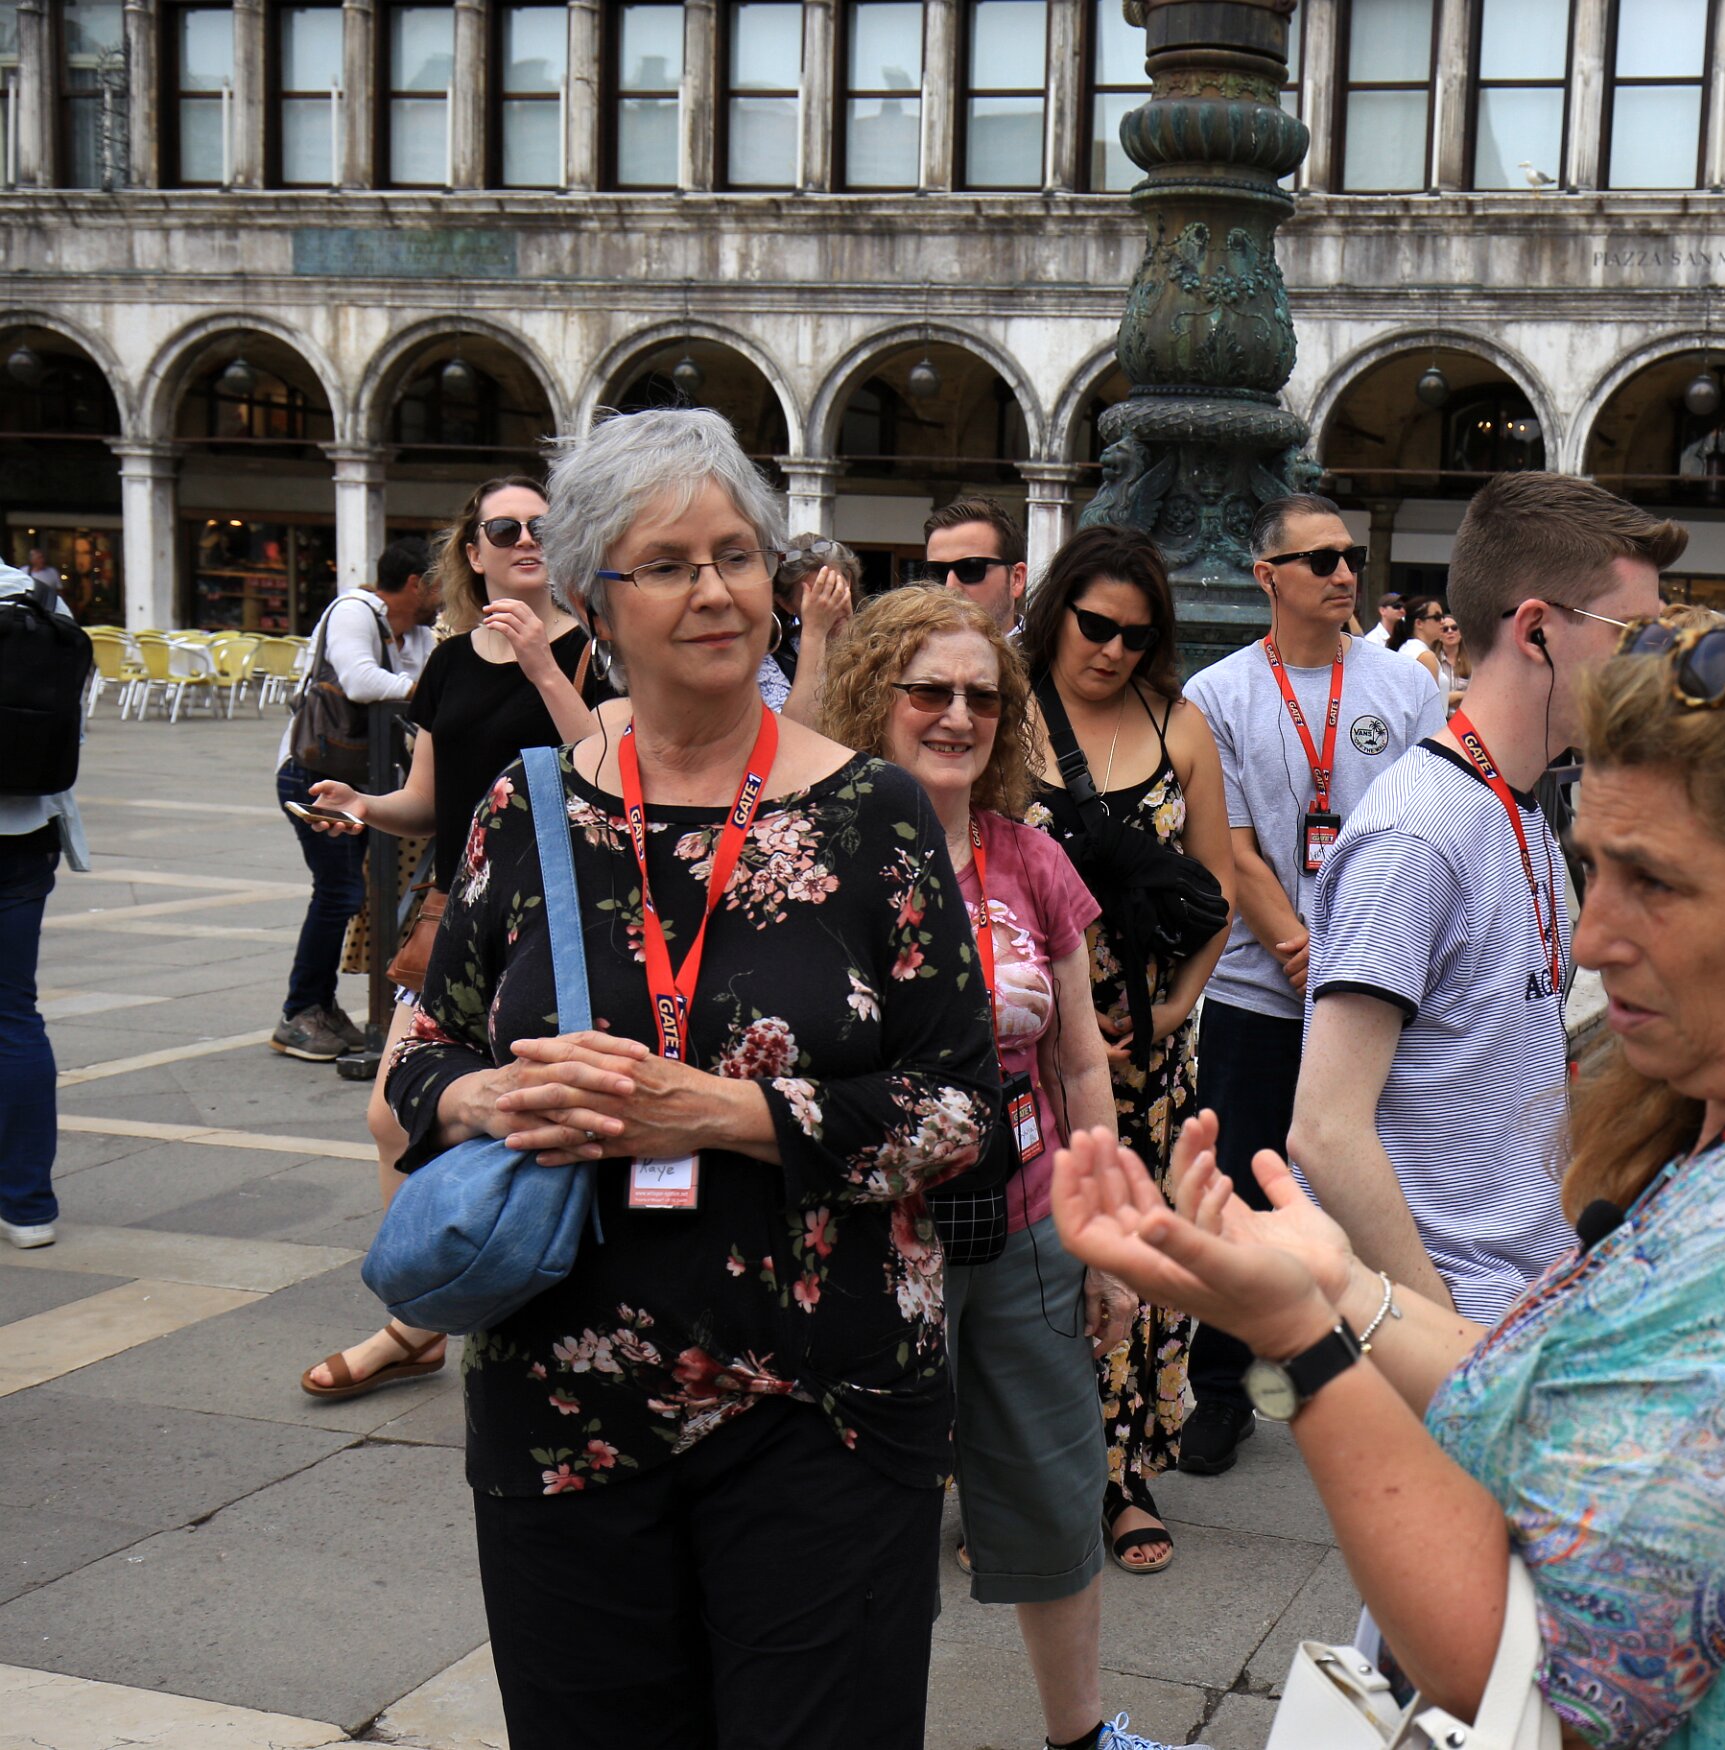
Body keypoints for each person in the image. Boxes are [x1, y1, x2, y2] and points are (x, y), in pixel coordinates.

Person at [1053, 607, 1725, 1747]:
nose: (1596, 936)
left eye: (1658, 883)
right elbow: (1561, 1400)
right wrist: (1341, 1290)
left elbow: (1533, 1679)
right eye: (1594, 868)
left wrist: (1301, 1345)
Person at [380, 407, 1003, 1748]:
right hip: (566, 1403)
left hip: (826, 1407)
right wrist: (488, 1098)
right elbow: (422, 1055)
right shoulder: (527, 808)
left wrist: (719, 1111)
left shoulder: (873, 815)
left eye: (735, 554)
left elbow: (961, 1114)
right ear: (594, 596)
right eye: (666, 563)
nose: (715, 589)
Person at [818, 587, 1195, 1750]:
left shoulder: (1030, 859)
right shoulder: (822, 857)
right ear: (875, 699)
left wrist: (1106, 1241)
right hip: (875, 1236)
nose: (956, 715)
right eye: (929, 690)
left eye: (982, 697)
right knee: (862, 1512)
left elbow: (1082, 1061)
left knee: (1051, 1485)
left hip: (1028, 1219)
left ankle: (1081, 1736)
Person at [1291, 471, 1677, 1324]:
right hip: (1450, 1321)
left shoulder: (1514, 802)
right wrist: (1444, 1339)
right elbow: (1323, 1129)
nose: (1650, 667)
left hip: (1517, 1298)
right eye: (1635, 636)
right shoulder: (1416, 835)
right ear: (1536, 630)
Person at [294, 476, 610, 1401]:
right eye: (503, 528)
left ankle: (515, 1312)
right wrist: (365, 805)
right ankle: (421, 1316)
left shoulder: (596, 649)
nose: (525, 539)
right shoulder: (448, 661)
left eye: (542, 525)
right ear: (473, 553)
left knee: (543, 1121)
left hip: (560, 918)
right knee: (393, 1113)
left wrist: (544, 666)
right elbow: (429, 800)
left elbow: (610, 772)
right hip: (456, 915)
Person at [1179, 494, 1443, 1478]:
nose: (1343, 573)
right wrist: (1305, 948)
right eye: (1320, 558)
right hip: (1259, 989)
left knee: (1377, 1184)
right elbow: (1231, 851)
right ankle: (1221, 1389)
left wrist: (1348, 962)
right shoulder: (1218, 692)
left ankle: (1385, 1376)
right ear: (1267, 576)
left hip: (1374, 990)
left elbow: (1427, 823)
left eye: (1350, 556)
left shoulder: (1405, 684)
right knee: (1241, 1186)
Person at [1018, 526, 1235, 1569]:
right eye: (1095, 625)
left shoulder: (1177, 723)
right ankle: (1018, 1476)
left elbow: (1217, 889)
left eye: (1135, 635)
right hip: (1023, 1041)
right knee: (1031, 1254)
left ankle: (1123, 1473)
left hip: (1144, 1048)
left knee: (1137, 1253)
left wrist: (1172, 1008)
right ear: (1057, 610)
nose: (1111, 650)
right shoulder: (1004, 714)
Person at [269, 536, 440, 1062]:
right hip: (313, 773)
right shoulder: (354, 610)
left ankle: (319, 1005)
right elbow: (362, 682)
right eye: (441, 584)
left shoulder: (419, 633)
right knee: (339, 891)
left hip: (363, 780)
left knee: (348, 892)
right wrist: (432, 690)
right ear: (416, 583)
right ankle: (299, 1011)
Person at [0, 560, 87, 1251]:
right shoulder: (41, 600)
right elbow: (70, 730)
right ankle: (28, 1207)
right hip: (25, 832)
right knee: (14, 1013)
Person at [754, 532, 855, 727]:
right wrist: (815, 634)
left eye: (835, 589)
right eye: (817, 598)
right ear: (786, 604)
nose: (831, 605)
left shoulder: (880, 641)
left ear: (848, 582)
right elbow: (796, 731)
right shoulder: (772, 664)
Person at [921, 498, 1029, 635]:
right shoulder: (906, 647)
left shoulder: (1048, 648)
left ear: (1016, 579)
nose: (950, 586)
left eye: (970, 569)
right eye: (938, 572)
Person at [1391, 597, 1453, 685]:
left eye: (1442, 616)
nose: (1443, 622)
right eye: (1437, 617)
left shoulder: (1407, 648)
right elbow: (1432, 693)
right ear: (1419, 623)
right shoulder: (1425, 656)